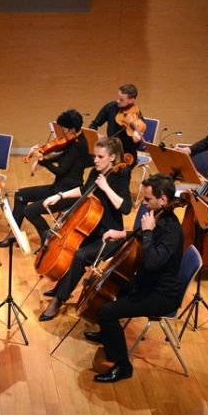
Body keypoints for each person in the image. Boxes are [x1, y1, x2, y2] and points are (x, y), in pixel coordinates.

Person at [86, 173, 186, 383]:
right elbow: (140, 234)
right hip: (148, 283)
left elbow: (151, 262)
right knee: (111, 289)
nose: (144, 203)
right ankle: (109, 337)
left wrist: (148, 233)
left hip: (162, 294)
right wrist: (121, 234)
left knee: (107, 312)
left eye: (148, 199)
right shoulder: (158, 216)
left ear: (164, 200)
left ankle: (123, 366)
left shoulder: (172, 231)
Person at [38, 137, 133, 322]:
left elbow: (126, 207)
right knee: (66, 245)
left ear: (112, 157)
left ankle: (58, 300)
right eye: (94, 156)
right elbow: (84, 190)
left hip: (110, 235)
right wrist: (59, 196)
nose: (95, 160)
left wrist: (106, 188)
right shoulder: (94, 172)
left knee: (80, 256)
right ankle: (60, 286)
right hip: (91, 228)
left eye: (100, 156)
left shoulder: (121, 175)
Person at [0, 109, 89, 247]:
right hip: (58, 187)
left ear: (72, 129)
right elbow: (62, 157)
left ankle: (48, 241)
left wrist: (44, 160)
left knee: (29, 211)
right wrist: (43, 154)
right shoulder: (72, 140)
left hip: (67, 194)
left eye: (64, 128)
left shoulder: (79, 145)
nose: (62, 130)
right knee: (20, 195)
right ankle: (13, 235)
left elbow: (61, 170)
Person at [89, 84, 143, 158]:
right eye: (118, 98)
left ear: (131, 100)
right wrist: (94, 136)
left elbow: (135, 146)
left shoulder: (137, 116)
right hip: (110, 149)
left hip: (127, 154)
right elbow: (94, 124)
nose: (118, 101)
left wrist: (136, 140)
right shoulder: (111, 107)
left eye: (121, 100)